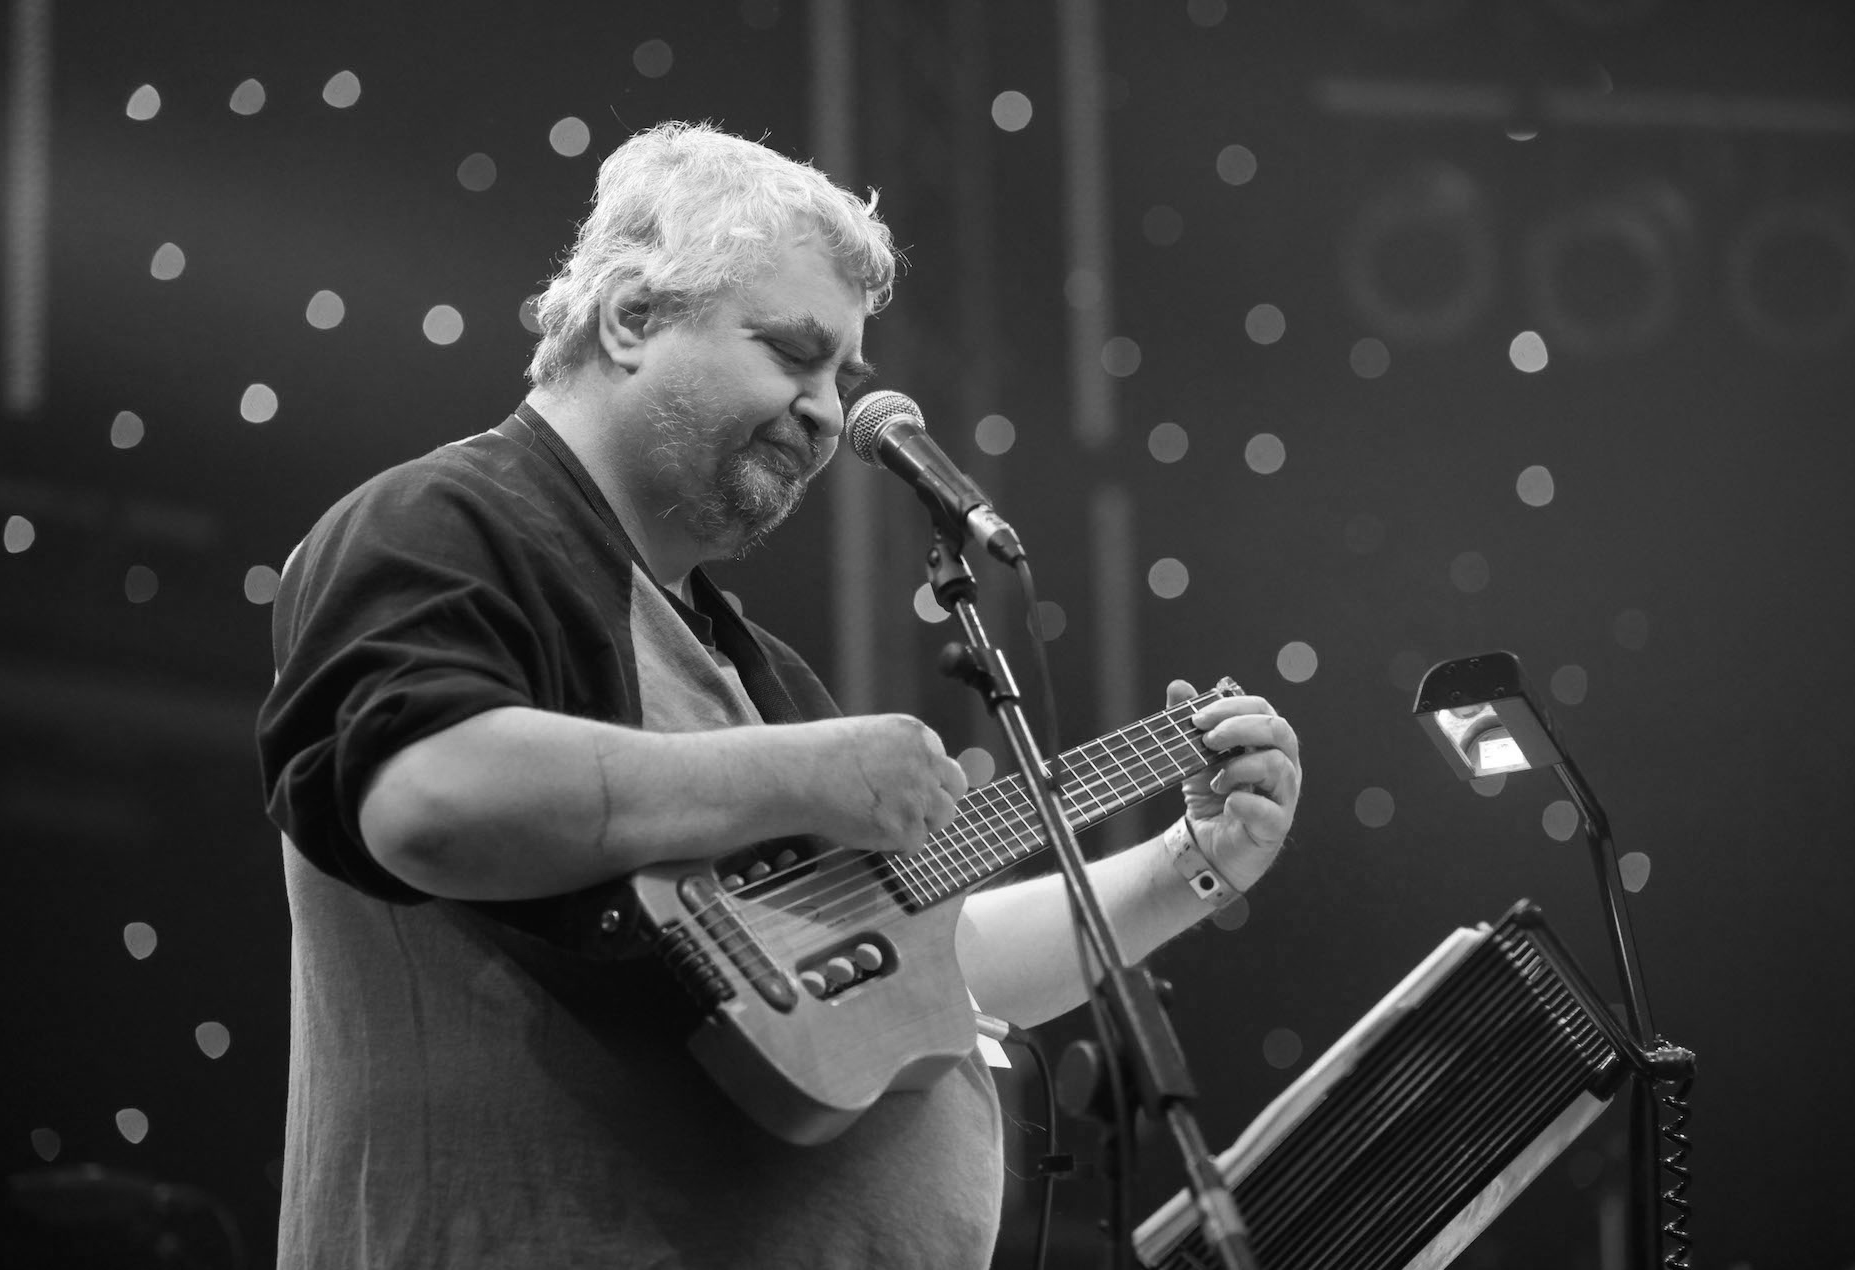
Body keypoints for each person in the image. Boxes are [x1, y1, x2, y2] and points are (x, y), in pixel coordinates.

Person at [256, 120, 1303, 1270]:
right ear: (631, 319)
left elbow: (927, 957)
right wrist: (807, 771)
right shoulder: (441, 521)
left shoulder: (752, 666)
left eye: (840, 375)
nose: (824, 409)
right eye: (792, 354)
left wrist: (1187, 865)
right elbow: (429, 798)